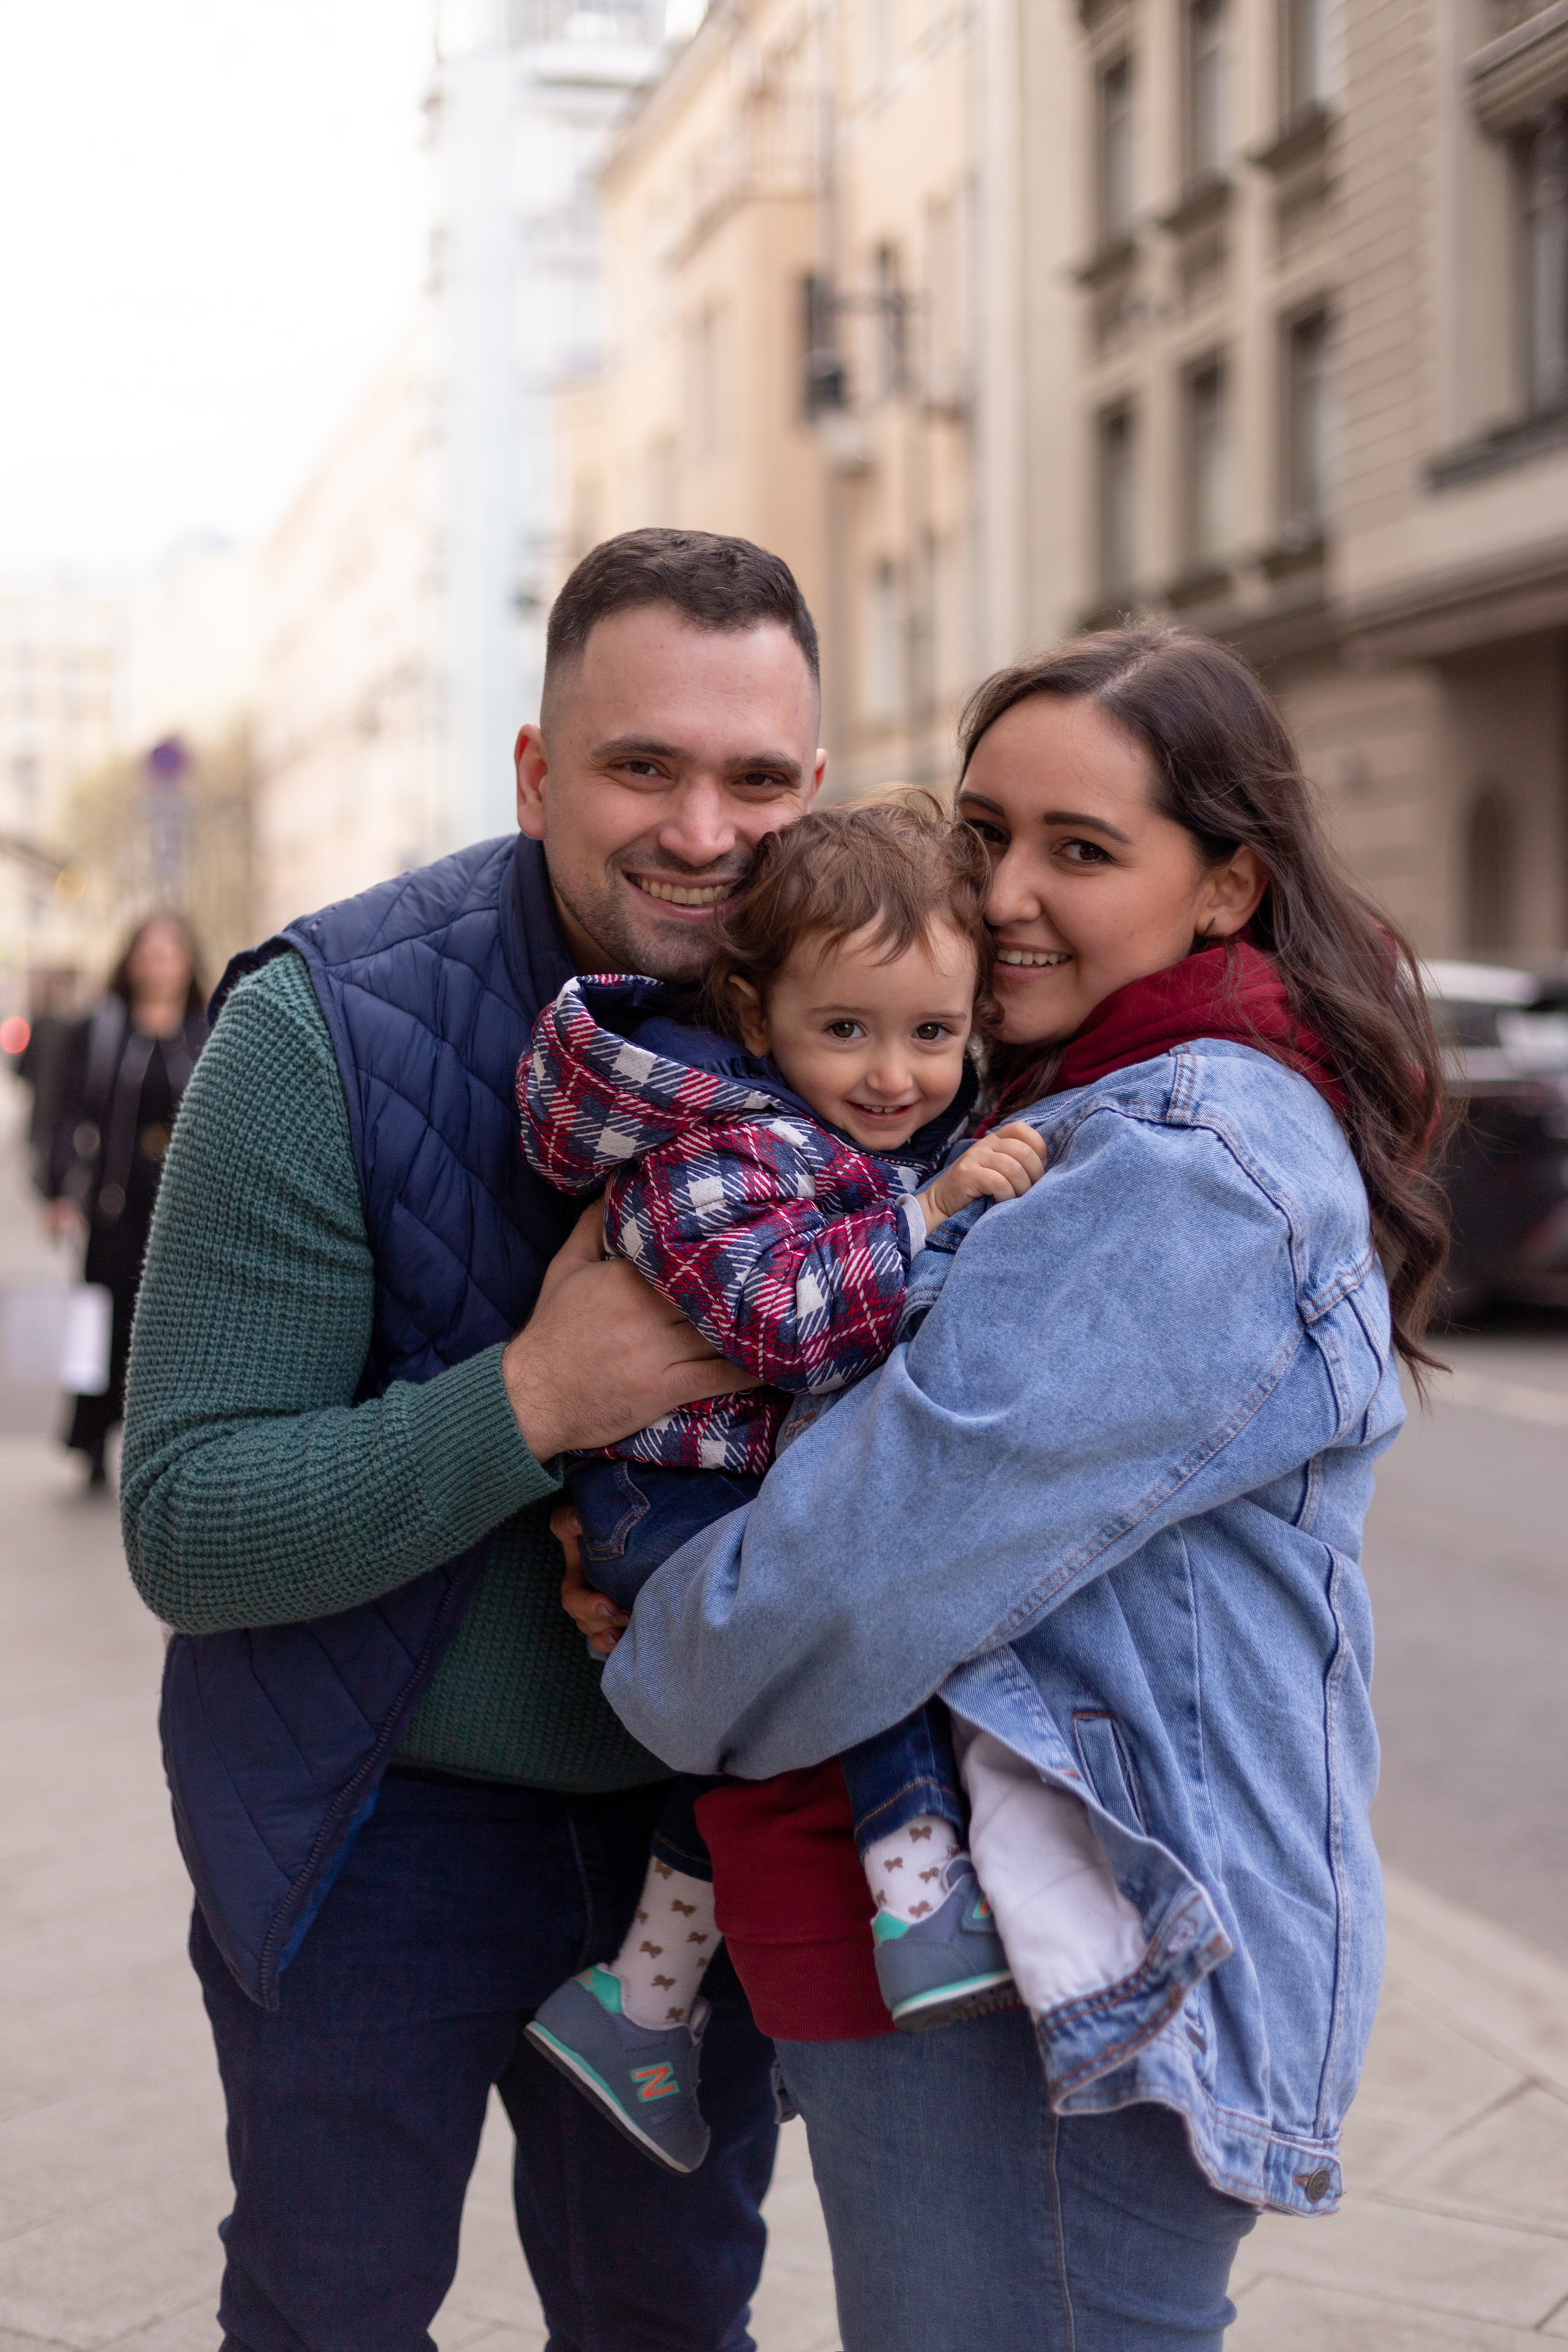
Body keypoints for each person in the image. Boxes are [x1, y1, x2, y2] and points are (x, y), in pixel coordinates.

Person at [571, 628, 1449, 2351]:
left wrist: (647, 1648)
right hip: (1011, 1970)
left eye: (1083, 848)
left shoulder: (1187, 1166)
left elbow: (856, 1577)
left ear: (1226, 890)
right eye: (984, 835)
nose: (1010, 893)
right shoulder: (1065, 1106)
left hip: (1070, 1993)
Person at [119, 530, 851, 2352]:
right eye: (641, 766)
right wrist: (538, 1398)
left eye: (755, 776)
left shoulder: (872, 1026)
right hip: (382, 1814)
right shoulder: (321, 1026)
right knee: (330, 2314)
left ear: (813, 787)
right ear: (536, 772)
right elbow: (189, 1521)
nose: (703, 827)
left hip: (702, 1829)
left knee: (670, 2317)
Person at [520, 799, 1046, 2172]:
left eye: (932, 1034)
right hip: (663, 1503)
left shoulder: (855, 1137)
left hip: (731, 1489)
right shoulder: (717, 1150)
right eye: (848, 1031)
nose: (893, 1077)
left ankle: (637, 2007)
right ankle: (916, 1892)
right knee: (842, 1622)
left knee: (747, 1736)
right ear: (758, 1018)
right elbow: (783, 1320)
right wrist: (929, 1218)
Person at [43, 915, 206, 1486]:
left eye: (171, 951)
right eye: (149, 952)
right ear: (130, 961)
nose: (160, 962)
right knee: (102, 1322)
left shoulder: (208, 1029)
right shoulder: (102, 1029)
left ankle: (166, 1448)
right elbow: (66, 1114)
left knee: (173, 1329)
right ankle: (90, 1439)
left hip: (183, 1205)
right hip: (116, 1202)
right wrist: (60, 1189)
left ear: (188, 962)